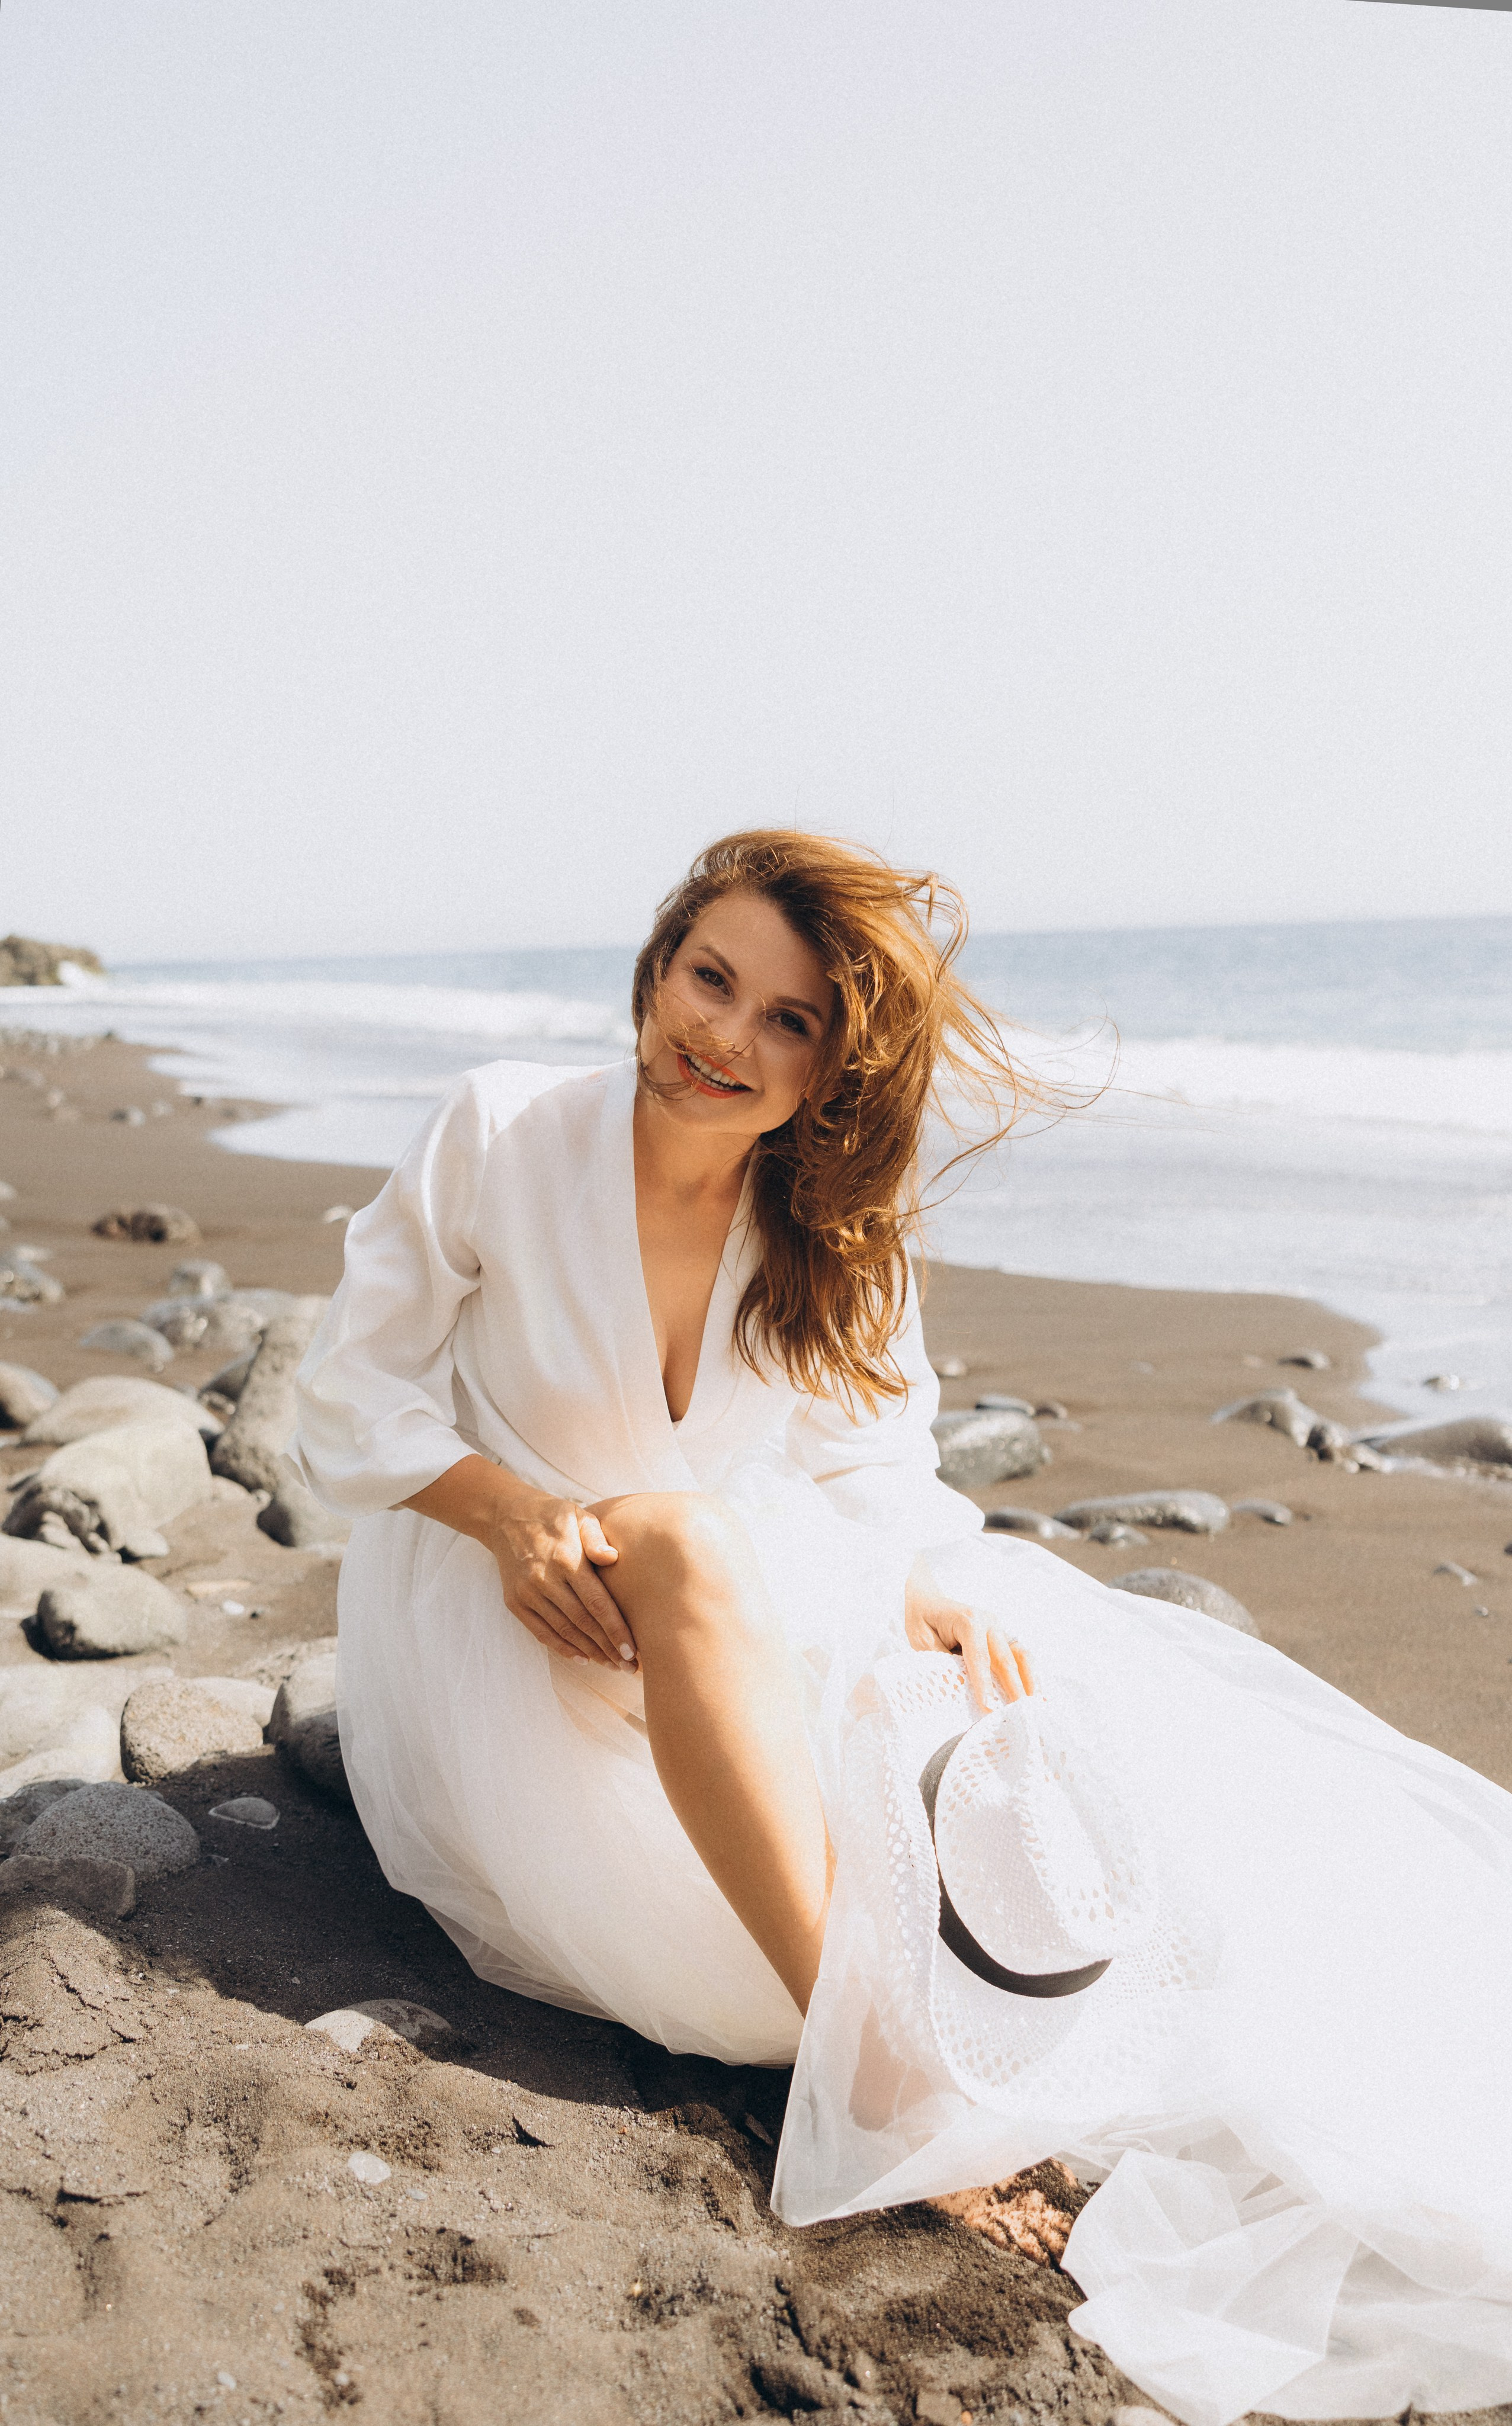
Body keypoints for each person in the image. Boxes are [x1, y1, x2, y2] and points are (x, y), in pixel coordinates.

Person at [293, 830, 1512, 2426]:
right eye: (709, 977)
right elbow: (348, 1383)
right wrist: (507, 1516)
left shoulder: (833, 1222)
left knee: (1092, 1791)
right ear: (656, 965)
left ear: (831, 1068)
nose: (722, 1037)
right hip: (521, 1620)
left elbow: (870, 1462)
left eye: (786, 1020)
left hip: (735, 1598)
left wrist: (919, 1577)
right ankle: (866, 2073)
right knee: (683, 1554)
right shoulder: (502, 1128)